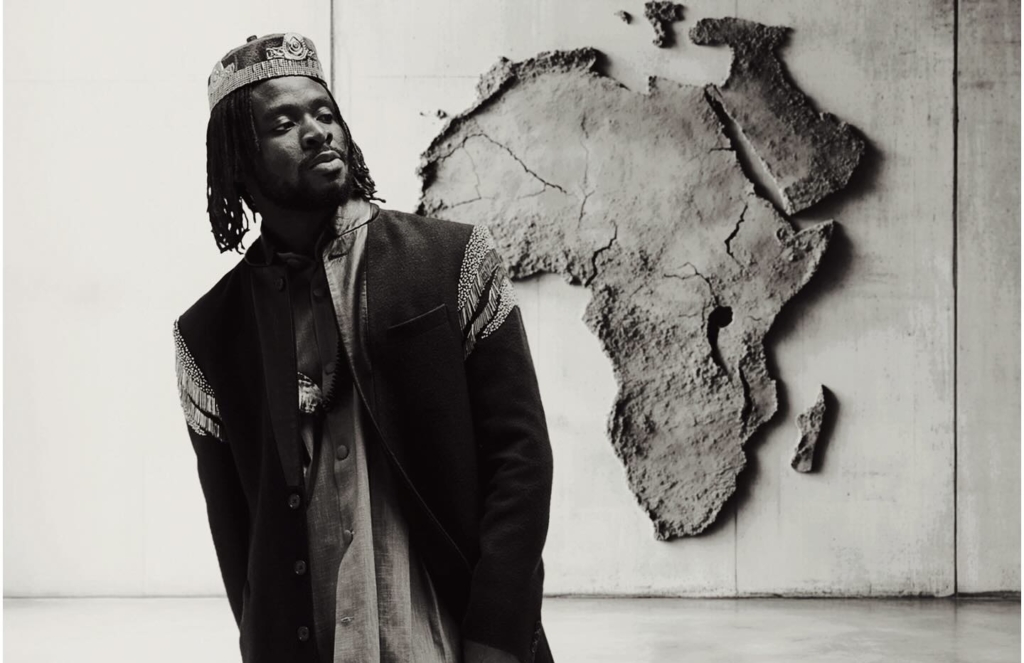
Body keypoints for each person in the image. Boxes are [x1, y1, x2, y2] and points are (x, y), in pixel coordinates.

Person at [174, 33, 555, 663]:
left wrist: (498, 634)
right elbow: (235, 530)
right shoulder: (206, 335)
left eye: (325, 113)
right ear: (237, 161)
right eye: (283, 123)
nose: (317, 132)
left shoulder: (456, 260)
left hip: (452, 642)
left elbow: (521, 461)